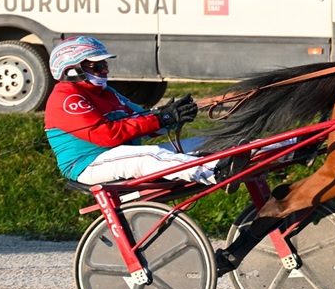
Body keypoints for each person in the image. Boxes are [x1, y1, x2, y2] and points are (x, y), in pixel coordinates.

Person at [44, 36, 224, 186]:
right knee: (150, 157)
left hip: (119, 154)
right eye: (97, 66)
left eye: (104, 63)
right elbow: (106, 135)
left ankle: (235, 158)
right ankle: (217, 171)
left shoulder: (107, 92)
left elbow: (146, 123)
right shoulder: (66, 98)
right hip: (87, 164)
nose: (106, 69)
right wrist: (160, 119)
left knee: (204, 142)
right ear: (72, 69)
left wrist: (172, 117)